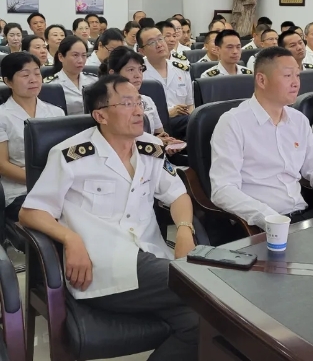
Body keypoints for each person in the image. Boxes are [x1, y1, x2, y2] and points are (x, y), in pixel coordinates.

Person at [18, 74, 198, 360]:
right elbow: (31, 211)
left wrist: (185, 230)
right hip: (102, 265)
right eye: (126, 104)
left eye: (138, 102)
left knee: (197, 324)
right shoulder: (71, 155)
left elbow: (177, 194)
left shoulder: (150, 147)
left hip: (151, 255)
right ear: (100, 115)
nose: (138, 111)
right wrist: (71, 239)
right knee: (205, 290)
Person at [210, 47, 313, 231]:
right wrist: (271, 219)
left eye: (297, 75)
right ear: (261, 80)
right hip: (259, 226)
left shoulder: (298, 120)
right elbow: (223, 189)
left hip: (303, 217)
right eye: (287, 75)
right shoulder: (233, 123)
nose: (296, 83)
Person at [0, 53, 64, 221]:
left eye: (37, 73)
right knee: (51, 219)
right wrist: (44, 181)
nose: (34, 79)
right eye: (25, 75)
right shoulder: (2, 116)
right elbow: (3, 166)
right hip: (21, 190)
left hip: (59, 185)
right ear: (8, 81)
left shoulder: (56, 113)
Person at [100, 46, 185, 153]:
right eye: (131, 70)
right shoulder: (107, 104)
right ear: (113, 73)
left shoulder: (147, 100)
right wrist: (154, 142)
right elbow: (116, 142)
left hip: (151, 155)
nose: (138, 75)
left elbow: (159, 133)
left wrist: (167, 143)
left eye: (140, 69)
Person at [138, 26, 193, 140]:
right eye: (151, 42)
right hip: (154, 128)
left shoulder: (181, 69)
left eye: (160, 39)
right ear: (142, 51)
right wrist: (168, 114)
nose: (159, 45)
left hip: (183, 125)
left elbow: (190, 105)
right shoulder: (138, 73)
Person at [46, 36, 99, 115]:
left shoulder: (94, 80)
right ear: (61, 57)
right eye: (75, 55)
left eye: (84, 55)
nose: (80, 60)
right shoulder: (51, 85)